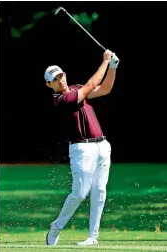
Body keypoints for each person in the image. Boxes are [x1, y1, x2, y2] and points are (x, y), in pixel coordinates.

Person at [44, 49, 119, 246]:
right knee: (79, 193)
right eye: (55, 79)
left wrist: (113, 67)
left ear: (65, 75)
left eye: (61, 76)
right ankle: (57, 226)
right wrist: (104, 61)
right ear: (48, 84)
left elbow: (104, 89)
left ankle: (93, 237)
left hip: (102, 146)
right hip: (81, 150)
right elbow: (92, 85)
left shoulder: (76, 88)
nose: (60, 80)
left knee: (100, 191)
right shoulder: (62, 100)